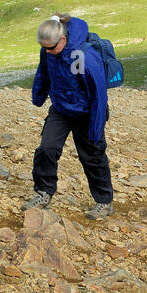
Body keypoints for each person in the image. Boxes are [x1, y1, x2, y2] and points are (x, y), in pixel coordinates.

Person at [25, 13, 114, 219]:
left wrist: (96, 127)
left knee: (92, 156)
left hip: (87, 112)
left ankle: (104, 202)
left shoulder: (85, 56)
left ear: (63, 39)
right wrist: (38, 96)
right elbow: (43, 73)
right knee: (47, 149)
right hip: (61, 109)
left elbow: (99, 96)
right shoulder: (49, 51)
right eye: (44, 47)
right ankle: (44, 193)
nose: (47, 51)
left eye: (50, 47)